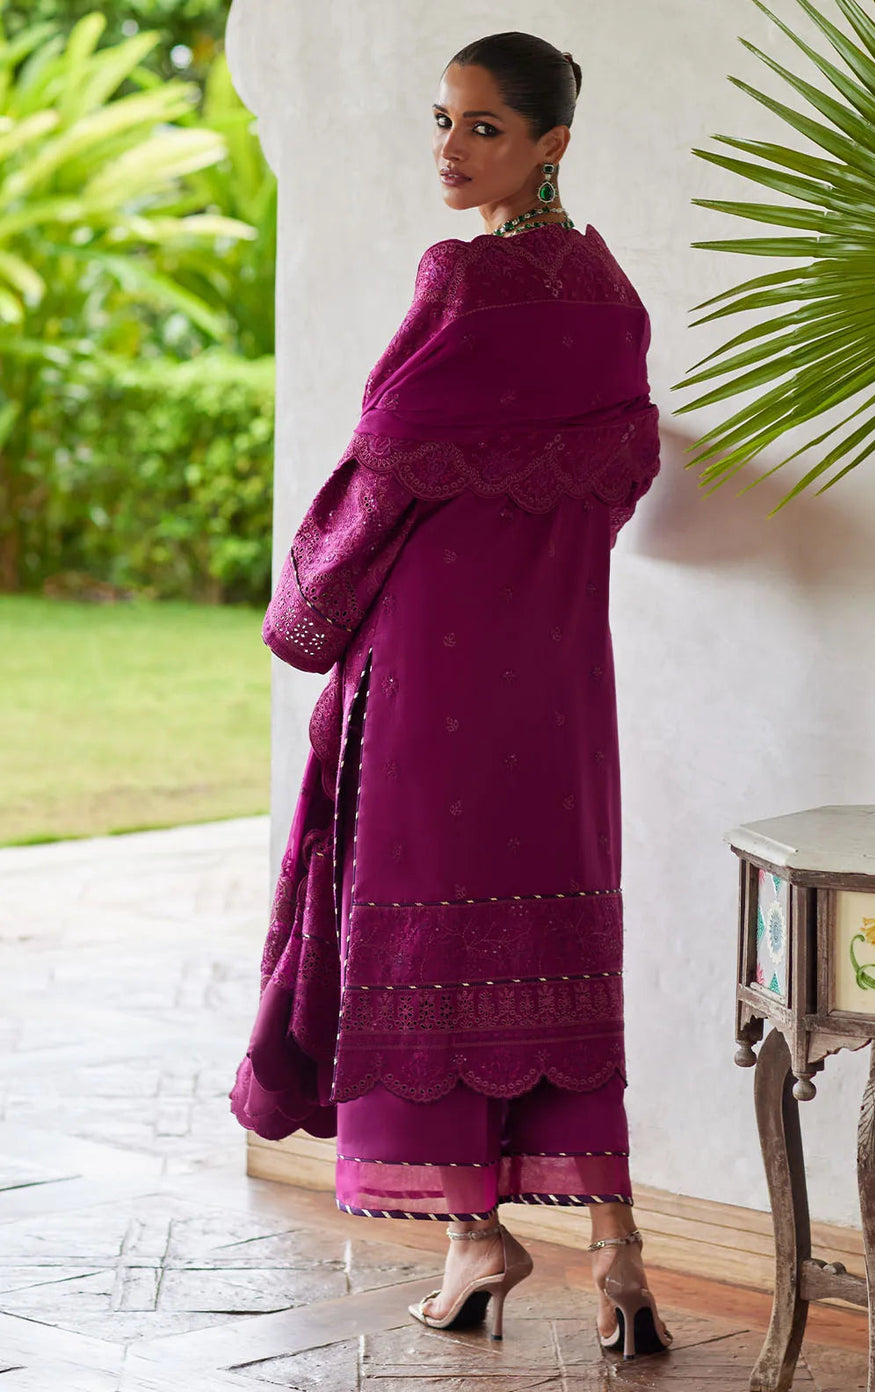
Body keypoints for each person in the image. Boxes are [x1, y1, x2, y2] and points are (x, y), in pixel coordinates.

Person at [230, 29, 670, 1361]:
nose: (451, 148)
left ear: (552, 144)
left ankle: (480, 1239)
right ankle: (616, 1255)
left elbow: (386, 454)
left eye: (483, 127)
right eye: (442, 120)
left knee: (419, 930)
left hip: (436, 662)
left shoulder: (462, 282)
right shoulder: (610, 292)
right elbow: (619, 472)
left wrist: (308, 608)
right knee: (549, 937)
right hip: (556, 674)